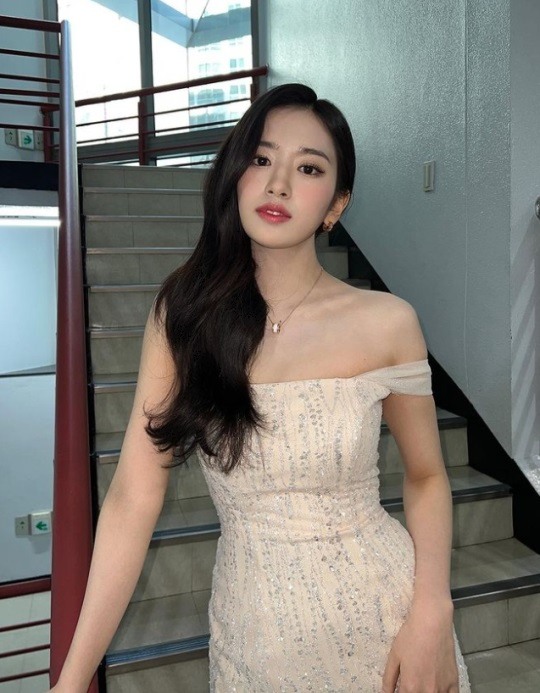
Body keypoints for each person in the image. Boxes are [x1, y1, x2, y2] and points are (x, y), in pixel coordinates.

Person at [50, 83, 471, 692]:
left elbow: (427, 476)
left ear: (336, 204)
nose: (278, 184)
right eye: (261, 158)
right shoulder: (185, 316)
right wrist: (70, 681)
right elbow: (131, 500)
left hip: (388, 620)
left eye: (308, 168)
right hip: (255, 636)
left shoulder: (387, 322)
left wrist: (433, 609)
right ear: (234, 176)